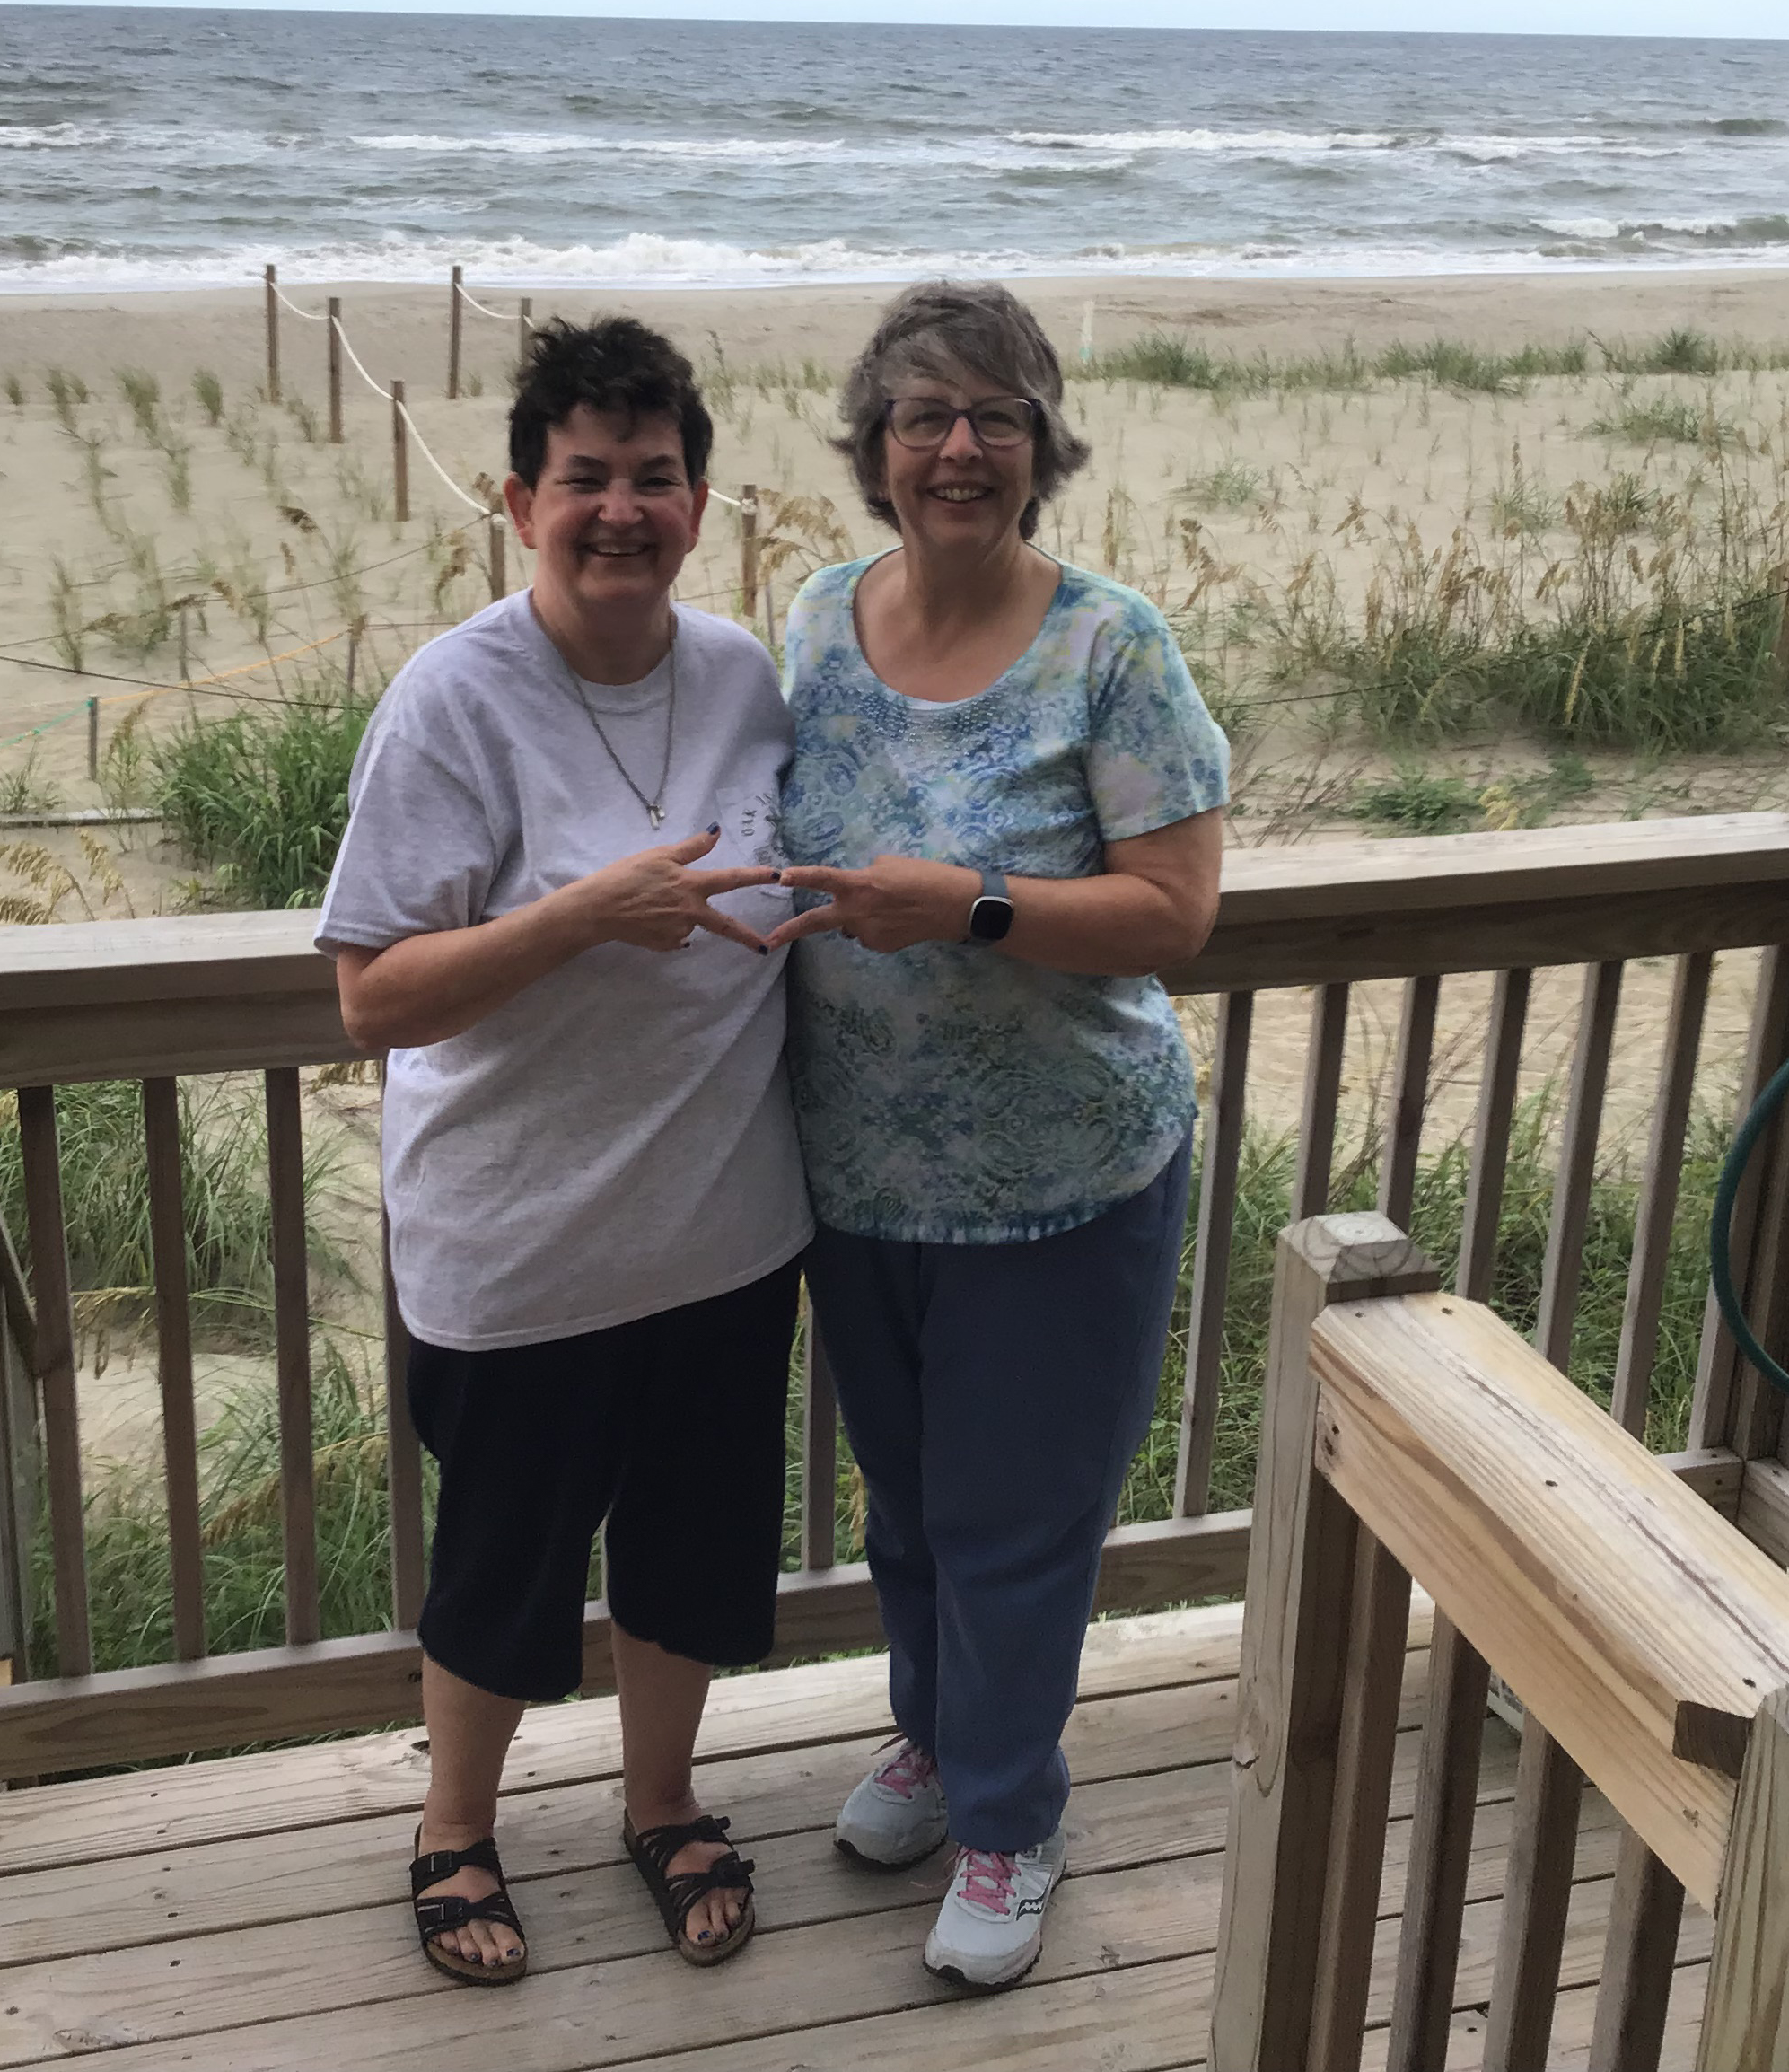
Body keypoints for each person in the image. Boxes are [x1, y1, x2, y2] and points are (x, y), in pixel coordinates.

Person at [313, 316, 808, 1986]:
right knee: (505, 1567)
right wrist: (582, 916)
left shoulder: (744, 672)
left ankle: (660, 1801)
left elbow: (781, 875)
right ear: (522, 502)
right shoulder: (455, 697)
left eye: (653, 478)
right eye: (584, 478)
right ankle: (457, 1828)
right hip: (519, 1249)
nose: (621, 509)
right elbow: (375, 995)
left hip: (728, 1235)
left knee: (691, 1555)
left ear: (701, 499)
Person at [766, 281, 1229, 1990]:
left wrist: (967, 906)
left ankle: (1013, 1818)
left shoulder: (1111, 646)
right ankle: (938, 1737)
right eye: (923, 417)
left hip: (1063, 1178)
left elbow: (1173, 917)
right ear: (874, 447)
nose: (958, 448)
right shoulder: (813, 618)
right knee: (907, 1503)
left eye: (996, 417)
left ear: (1043, 447)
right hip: (857, 1172)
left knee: (1020, 1522)